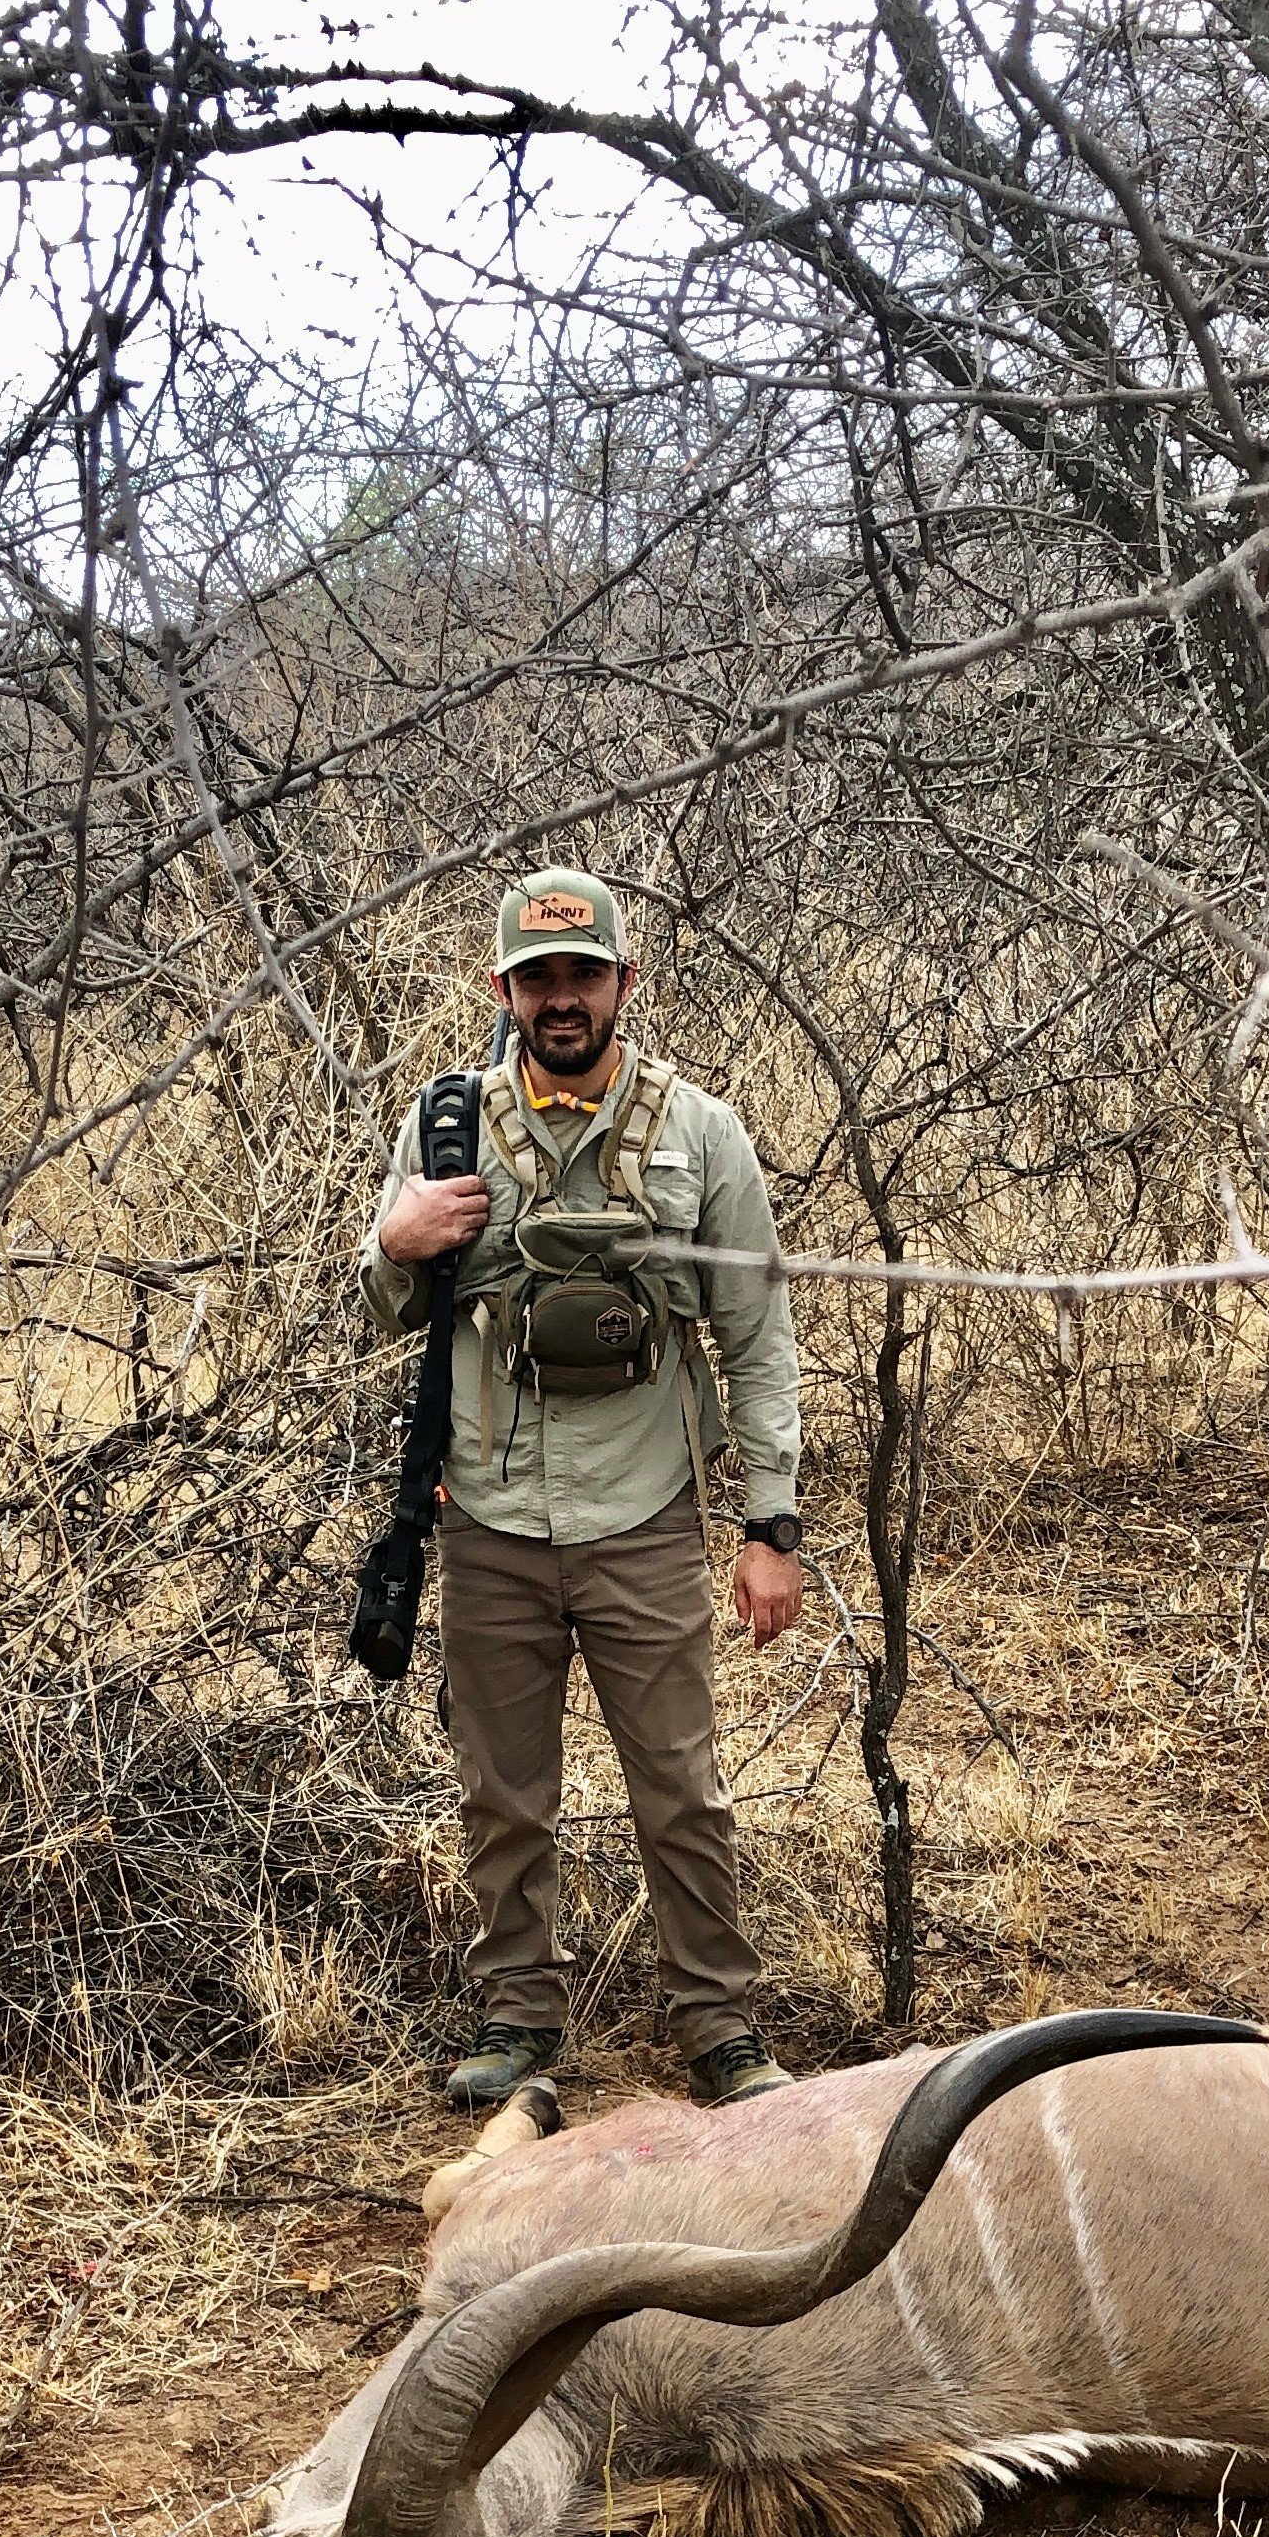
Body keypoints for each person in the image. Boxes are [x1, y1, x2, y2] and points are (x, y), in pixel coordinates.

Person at [362, 866, 805, 2111]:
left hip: (645, 1510)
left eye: (584, 975)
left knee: (682, 1789)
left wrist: (771, 1524)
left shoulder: (700, 1134)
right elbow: (386, 1303)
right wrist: (393, 1243)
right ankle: (517, 2018)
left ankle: (718, 2026)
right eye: (538, 979)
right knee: (503, 1793)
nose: (563, 1000)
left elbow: (757, 1337)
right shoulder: (445, 1126)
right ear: (502, 987)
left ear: (623, 981)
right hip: (489, 1515)